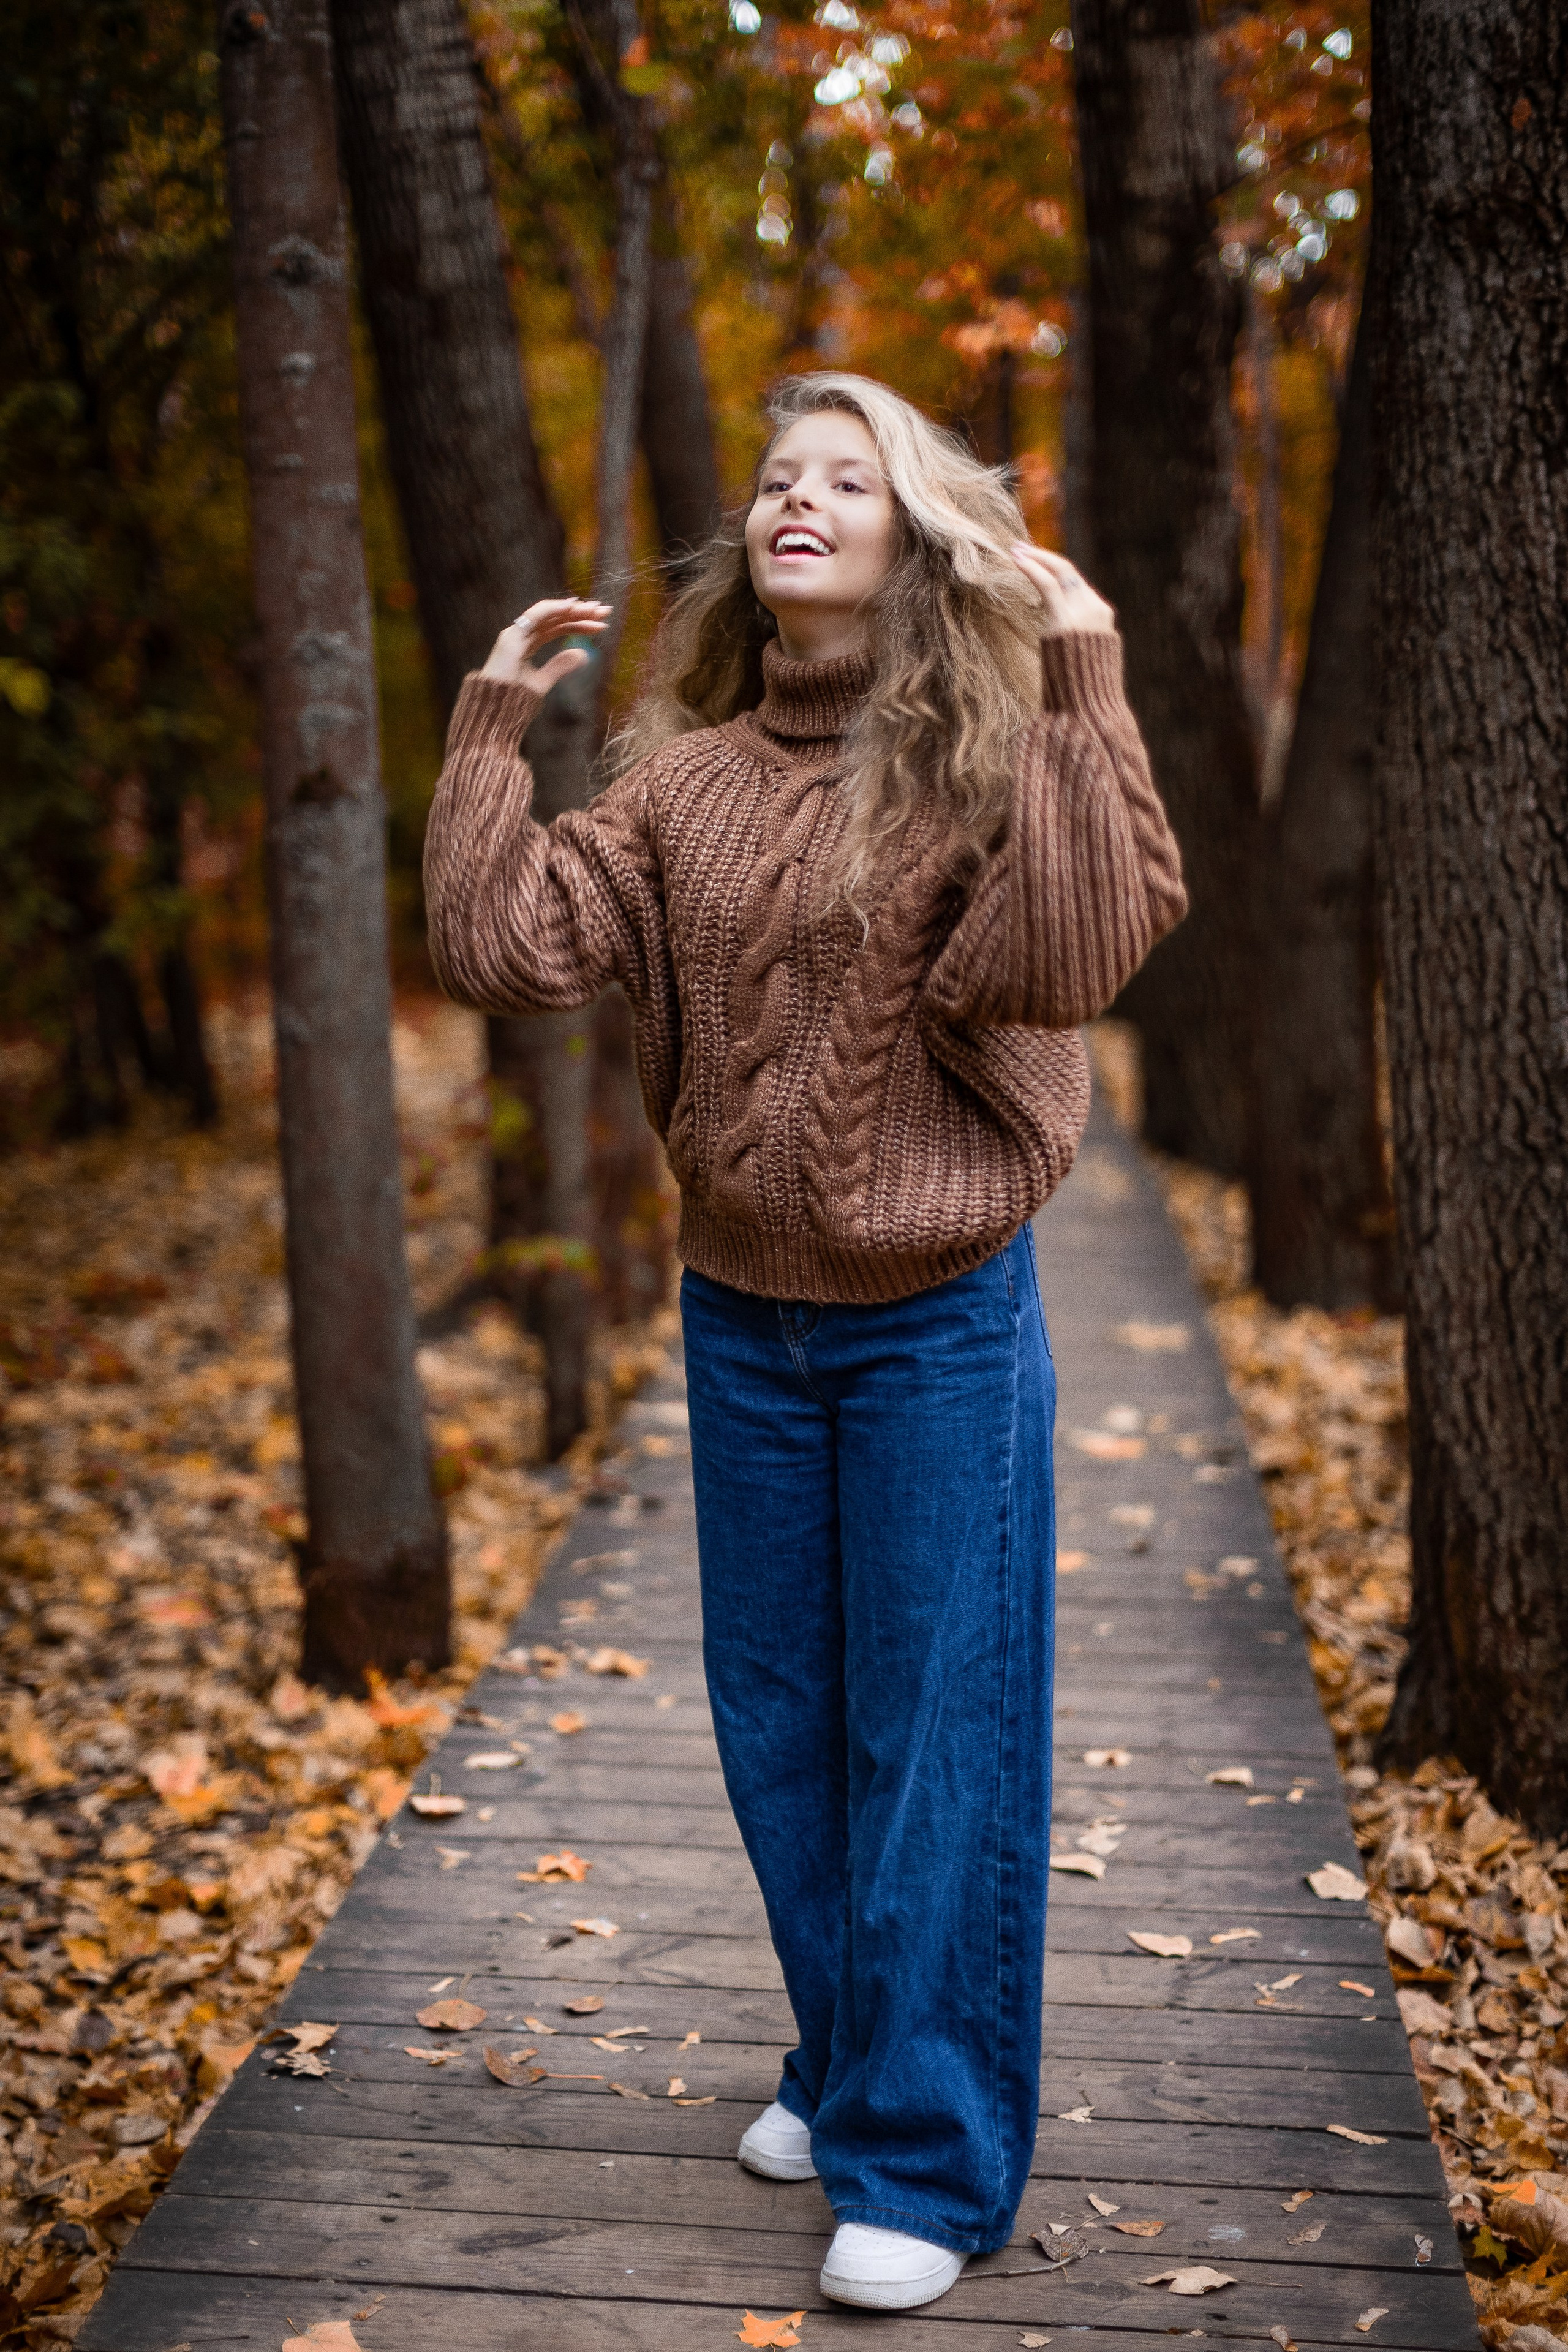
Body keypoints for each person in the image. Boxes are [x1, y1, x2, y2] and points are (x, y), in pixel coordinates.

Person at [423, 371, 1185, 2311]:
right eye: (776, 475)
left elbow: (1079, 947)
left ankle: (923, 2165)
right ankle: (840, 2059)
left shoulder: (982, 756)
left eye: (849, 478)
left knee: (930, 1739)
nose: (797, 498)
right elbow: (506, 949)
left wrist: (1085, 678)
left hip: (934, 1321)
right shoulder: (678, 780)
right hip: (743, 1318)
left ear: (916, 537)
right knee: (781, 1723)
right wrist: (498, 719)